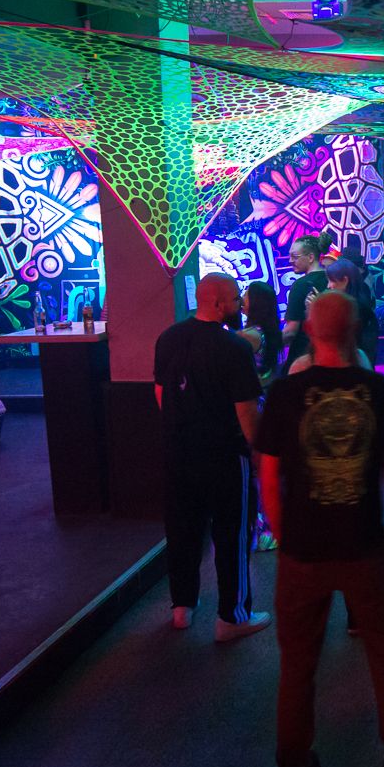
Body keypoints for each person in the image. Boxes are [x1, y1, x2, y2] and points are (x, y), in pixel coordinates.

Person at [255, 291, 384, 767]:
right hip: (365, 546)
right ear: (355, 333)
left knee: (298, 665)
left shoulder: (285, 393)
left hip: (303, 551)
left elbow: (268, 477)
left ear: (310, 332)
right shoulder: (376, 389)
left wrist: (284, 535)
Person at [153, 274, 269, 640]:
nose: (239, 305)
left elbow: (161, 395)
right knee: (232, 534)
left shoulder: (168, 337)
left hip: (177, 451)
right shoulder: (234, 348)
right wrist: (258, 454)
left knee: (181, 530)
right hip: (224, 456)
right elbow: (246, 413)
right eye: (235, 299)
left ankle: (182, 608)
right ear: (218, 304)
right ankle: (232, 618)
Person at [280, 236, 330, 373]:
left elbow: (291, 331)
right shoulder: (332, 280)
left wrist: (267, 345)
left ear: (310, 257)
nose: (290, 261)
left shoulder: (300, 285)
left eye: (295, 257)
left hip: (303, 356)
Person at [325, 259, 380, 366]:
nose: (328, 286)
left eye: (331, 280)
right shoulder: (356, 303)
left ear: (345, 281)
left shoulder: (356, 308)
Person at [240, 280, 284, 385]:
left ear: (255, 302)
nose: (241, 298)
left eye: (245, 295)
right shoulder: (269, 329)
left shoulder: (248, 335)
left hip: (254, 388)